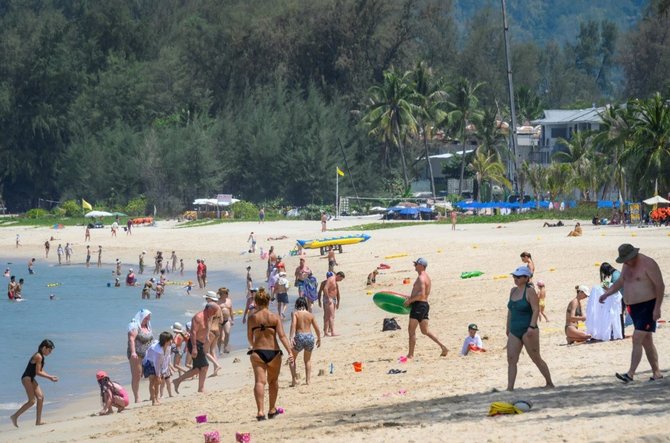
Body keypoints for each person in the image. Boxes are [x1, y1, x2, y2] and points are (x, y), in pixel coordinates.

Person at [599, 244, 665, 383]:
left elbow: (660, 285)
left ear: (634, 255)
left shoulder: (648, 263)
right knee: (646, 341)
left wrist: (657, 308)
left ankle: (630, 374)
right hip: (633, 309)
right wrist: (607, 294)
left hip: (648, 306)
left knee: (636, 338)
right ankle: (657, 372)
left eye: (627, 259)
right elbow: (621, 281)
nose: (626, 262)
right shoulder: (626, 265)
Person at [246, 287, 293, 420]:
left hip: (258, 352)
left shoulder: (252, 318)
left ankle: (260, 412)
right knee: (273, 381)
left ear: (256, 302)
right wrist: (290, 351)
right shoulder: (275, 317)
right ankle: (272, 409)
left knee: (259, 382)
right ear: (268, 302)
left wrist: (254, 343)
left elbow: (250, 337)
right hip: (274, 352)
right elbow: (282, 336)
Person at [506, 266, 554, 391]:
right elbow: (510, 311)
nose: (515, 278)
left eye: (518, 276)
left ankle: (549, 382)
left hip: (528, 329)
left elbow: (536, 309)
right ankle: (510, 388)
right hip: (514, 330)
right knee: (511, 359)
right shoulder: (513, 291)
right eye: (514, 276)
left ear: (526, 278)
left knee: (536, 358)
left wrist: (532, 326)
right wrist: (508, 327)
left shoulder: (530, 291)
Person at [402, 258, 448, 359]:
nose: (414, 266)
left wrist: (410, 301)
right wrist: (409, 297)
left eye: (416, 264)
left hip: (418, 305)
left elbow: (421, 295)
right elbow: (421, 294)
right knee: (425, 331)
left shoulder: (421, 278)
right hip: (424, 305)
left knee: (411, 330)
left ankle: (410, 355)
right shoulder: (427, 277)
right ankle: (443, 347)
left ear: (422, 266)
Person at [173, 303, 220, 394]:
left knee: (198, 369)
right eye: (214, 311)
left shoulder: (209, 317)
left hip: (200, 343)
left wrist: (206, 337)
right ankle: (200, 388)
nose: (215, 313)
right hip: (194, 344)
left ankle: (178, 381)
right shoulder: (198, 317)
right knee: (204, 366)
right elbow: (193, 332)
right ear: (209, 309)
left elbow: (206, 327)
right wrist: (194, 347)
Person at [10, 339, 58, 427]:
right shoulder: (38, 356)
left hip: (31, 378)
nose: (50, 353)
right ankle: (14, 416)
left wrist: (50, 376)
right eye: (49, 350)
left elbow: (40, 370)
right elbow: (38, 372)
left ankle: (38, 422)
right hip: (26, 378)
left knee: (40, 397)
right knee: (32, 401)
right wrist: (50, 377)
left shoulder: (41, 356)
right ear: (44, 348)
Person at [289, 297, 321, 386]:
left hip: (299, 336)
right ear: (305, 305)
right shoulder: (310, 315)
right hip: (310, 337)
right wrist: (319, 338)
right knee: (307, 360)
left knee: (292, 359)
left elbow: (293, 325)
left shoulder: (295, 313)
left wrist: (291, 337)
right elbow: (316, 328)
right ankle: (308, 381)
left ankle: (294, 380)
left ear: (297, 305)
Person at [127, 309, 153, 403]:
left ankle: (152, 394)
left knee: (151, 373)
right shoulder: (134, 326)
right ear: (142, 317)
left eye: (149, 318)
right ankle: (137, 397)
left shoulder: (148, 325)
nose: (148, 319)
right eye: (146, 318)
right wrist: (133, 352)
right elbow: (131, 340)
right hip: (136, 354)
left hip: (148, 353)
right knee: (137, 375)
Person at [143, 331, 173, 405]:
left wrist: (164, 370)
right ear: (166, 341)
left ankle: (157, 398)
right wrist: (158, 375)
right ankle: (153, 400)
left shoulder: (168, 347)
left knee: (158, 383)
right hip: (149, 362)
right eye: (170, 340)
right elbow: (156, 363)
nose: (171, 341)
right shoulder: (157, 350)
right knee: (153, 381)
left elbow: (166, 359)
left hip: (158, 364)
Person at [600, 262, 625, 336]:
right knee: (619, 315)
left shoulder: (615, 276)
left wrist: (604, 286)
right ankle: (620, 333)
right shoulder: (616, 273)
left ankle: (620, 333)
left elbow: (615, 288)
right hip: (622, 297)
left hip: (620, 298)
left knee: (618, 315)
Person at [203, 292, 223, 376]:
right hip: (217, 330)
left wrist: (207, 334)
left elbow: (209, 321)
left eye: (207, 298)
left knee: (205, 352)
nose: (206, 300)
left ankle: (217, 365)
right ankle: (215, 370)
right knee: (212, 350)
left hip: (211, 331)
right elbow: (221, 321)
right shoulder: (218, 307)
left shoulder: (210, 307)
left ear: (210, 299)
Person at [217, 287, 234, 354]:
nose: (227, 294)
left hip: (227, 320)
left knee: (227, 333)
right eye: (226, 293)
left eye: (227, 292)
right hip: (219, 321)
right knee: (220, 336)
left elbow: (231, 310)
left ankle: (225, 347)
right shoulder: (217, 301)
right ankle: (219, 350)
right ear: (222, 294)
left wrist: (232, 319)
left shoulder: (229, 300)